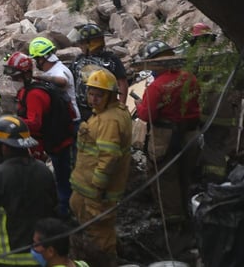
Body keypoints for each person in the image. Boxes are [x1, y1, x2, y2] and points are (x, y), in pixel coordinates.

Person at [135, 39, 201, 260]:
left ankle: (175, 230)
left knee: (166, 180)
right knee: (185, 177)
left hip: (165, 137)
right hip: (191, 135)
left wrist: (139, 105)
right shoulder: (189, 78)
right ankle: (189, 217)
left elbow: (146, 115)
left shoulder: (156, 87)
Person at [0, 115, 57, 266]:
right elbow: (54, 210)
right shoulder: (44, 172)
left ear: (5, 147)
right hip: (39, 258)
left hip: (1, 260)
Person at [69, 68, 132, 267]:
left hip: (95, 193)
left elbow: (109, 157)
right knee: (97, 231)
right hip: (87, 189)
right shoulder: (107, 113)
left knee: (99, 235)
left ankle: (105, 262)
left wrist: (98, 188)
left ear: (110, 95)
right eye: (91, 94)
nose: (93, 99)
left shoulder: (109, 120)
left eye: (99, 95)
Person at [5, 52, 74, 217]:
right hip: (49, 140)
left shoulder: (35, 94)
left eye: (16, 78)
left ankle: (65, 214)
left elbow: (35, 122)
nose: (13, 82)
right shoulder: (27, 90)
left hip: (56, 142)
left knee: (62, 179)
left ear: (26, 75)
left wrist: (13, 122)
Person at [184, 22, 241, 184]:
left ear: (195, 41)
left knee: (212, 147)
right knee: (222, 145)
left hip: (208, 112)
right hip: (228, 111)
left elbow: (188, 86)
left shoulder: (195, 59)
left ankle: (215, 182)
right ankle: (224, 174)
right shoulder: (224, 55)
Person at [71, 23, 130, 119]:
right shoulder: (78, 59)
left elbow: (122, 82)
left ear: (90, 44)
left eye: (82, 43)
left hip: (105, 110)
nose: (80, 46)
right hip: (83, 110)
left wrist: (121, 106)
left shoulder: (110, 59)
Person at [28, 37, 80, 137]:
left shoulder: (59, 70)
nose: (35, 62)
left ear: (42, 58)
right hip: (61, 120)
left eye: (36, 58)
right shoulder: (52, 70)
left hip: (71, 122)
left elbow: (62, 81)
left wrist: (39, 76)